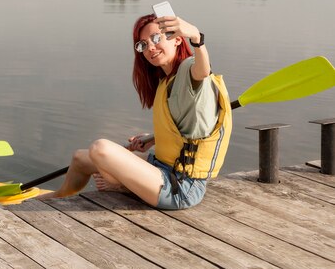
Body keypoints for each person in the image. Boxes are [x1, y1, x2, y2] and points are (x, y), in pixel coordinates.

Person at [39, 14, 232, 209]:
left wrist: (197, 40)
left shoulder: (189, 68)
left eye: (156, 38)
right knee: (80, 158)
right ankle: (58, 196)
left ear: (177, 39)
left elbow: (202, 71)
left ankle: (120, 185)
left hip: (180, 187)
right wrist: (153, 138)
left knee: (101, 149)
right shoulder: (167, 80)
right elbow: (187, 129)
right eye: (143, 45)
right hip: (163, 166)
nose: (150, 48)